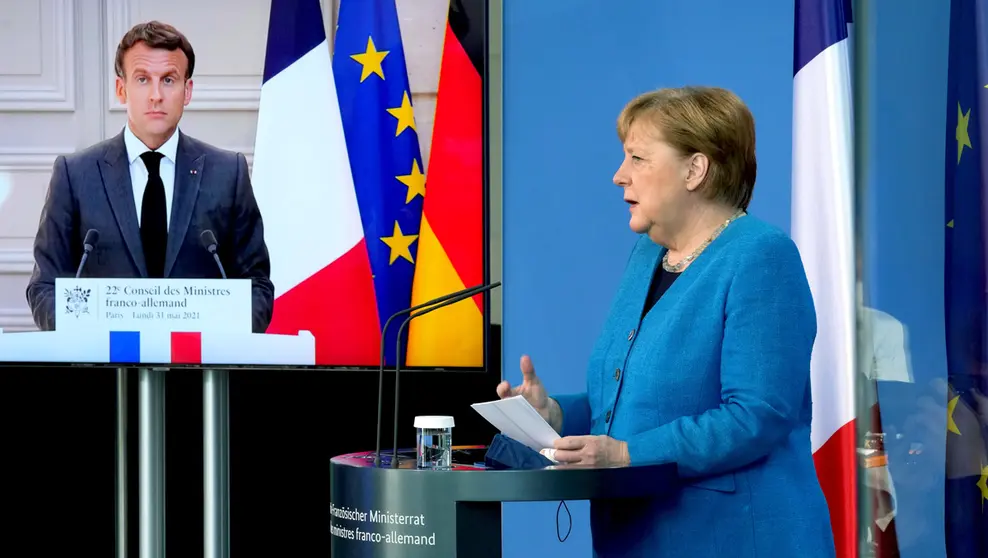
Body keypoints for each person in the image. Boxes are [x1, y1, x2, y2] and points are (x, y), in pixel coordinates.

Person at [497, 86, 836, 557]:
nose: (619, 176)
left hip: (732, 540)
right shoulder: (647, 254)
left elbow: (757, 415)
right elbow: (630, 401)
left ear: (695, 170)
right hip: (635, 536)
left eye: (638, 158)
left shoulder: (761, 256)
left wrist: (625, 455)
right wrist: (554, 416)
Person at [26, 21, 273, 333]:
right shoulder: (75, 175)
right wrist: (85, 336)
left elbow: (257, 289)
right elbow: (45, 287)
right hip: (107, 371)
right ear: (121, 90)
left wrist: (220, 337)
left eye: (169, 80)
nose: (156, 95)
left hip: (200, 374)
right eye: (143, 79)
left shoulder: (228, 173)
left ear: (188, 91)